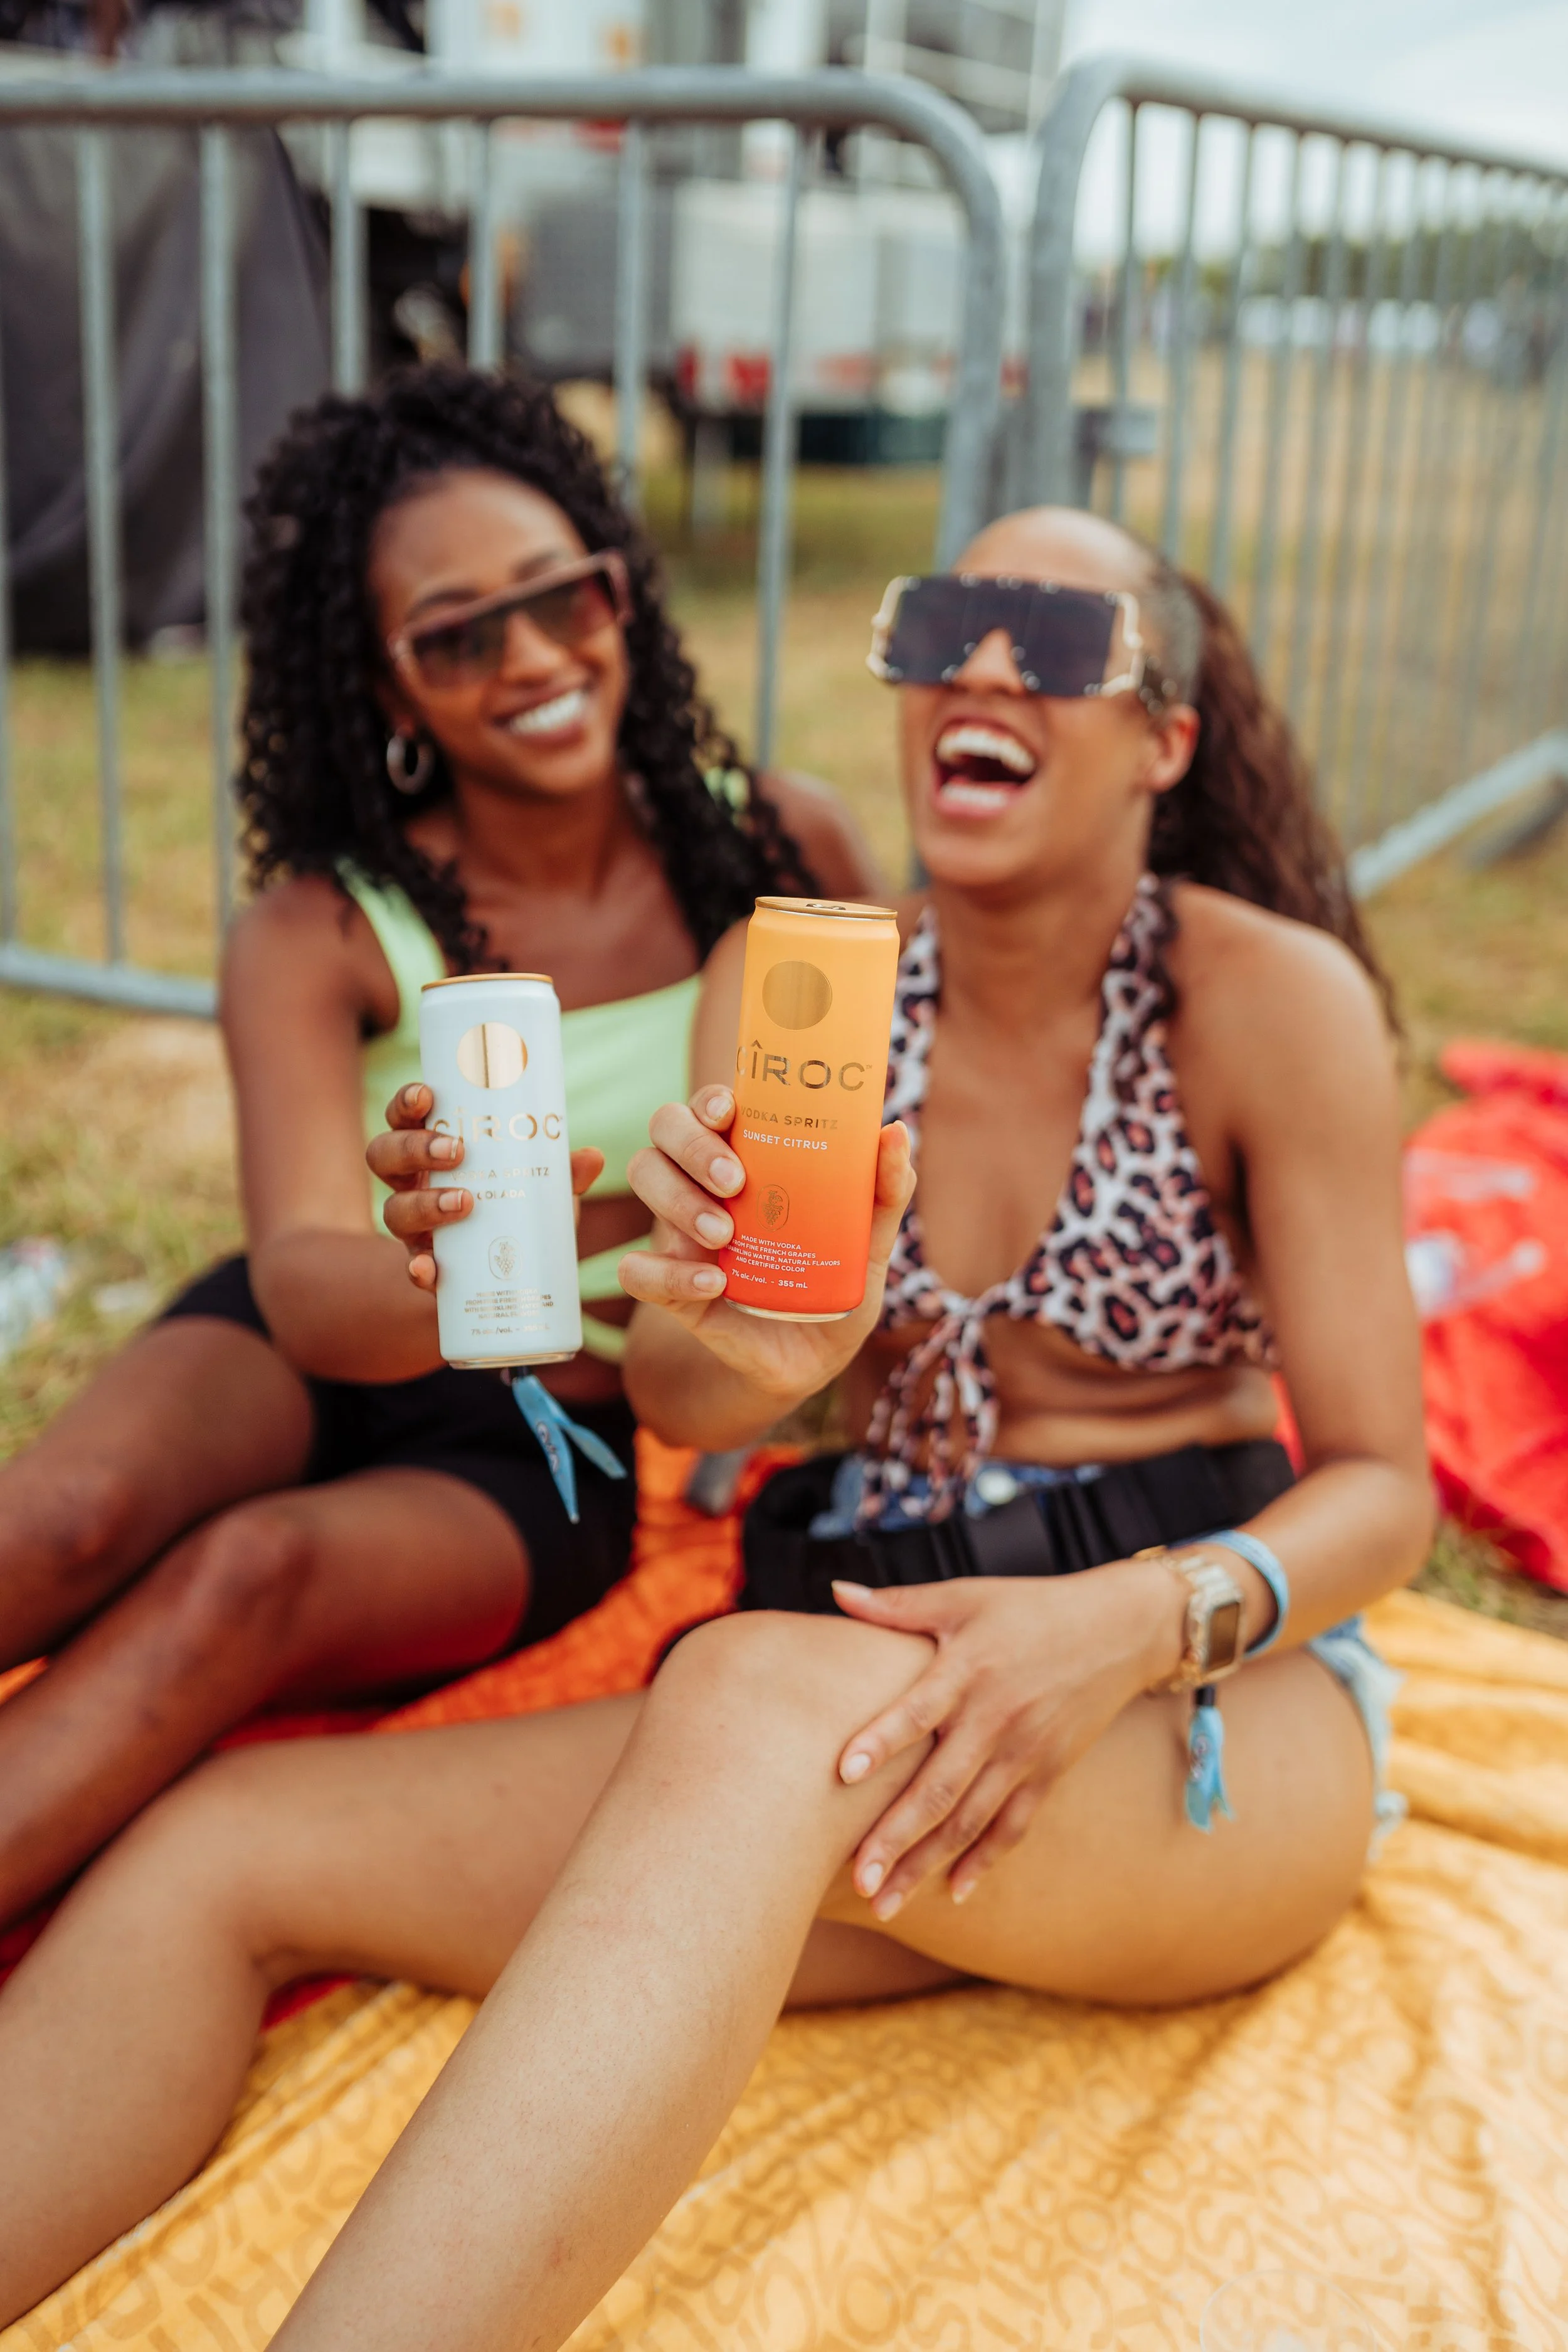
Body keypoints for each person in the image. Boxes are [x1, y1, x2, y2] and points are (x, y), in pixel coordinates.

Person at [0, 506, 1433, 2336]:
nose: (986, 670)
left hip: (1192, 1704)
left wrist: (1131, 1622)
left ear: (1163, 735)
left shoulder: (1261, 998)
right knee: (221, 1845)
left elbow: (1383, 1486)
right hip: (834, 1698)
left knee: (748, 1687)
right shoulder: (802, 991)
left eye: (1058, 643)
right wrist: (775, 1344)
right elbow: (678, 1393)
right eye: (950, 626)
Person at [0, 364, 877, 1933]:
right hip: (314, 1343)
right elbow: (306, 1281)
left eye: (566, 598)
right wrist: (474, 1262)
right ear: (386, 688)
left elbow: (831, 1202)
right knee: (59, 1524)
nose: (536, 658)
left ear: (624, 591)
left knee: (239, 1581)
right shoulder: (320, 925)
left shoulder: (782, 850)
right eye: (459, 635)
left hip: (551, 1441)